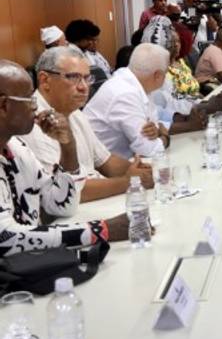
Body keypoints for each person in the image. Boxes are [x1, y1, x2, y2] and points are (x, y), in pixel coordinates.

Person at [0, 59, 128, 256]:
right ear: (3, 105)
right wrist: (100, 230)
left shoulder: (17, 148)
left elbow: (62, 206)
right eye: (29, 99)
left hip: (29, 266)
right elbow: (5, 238)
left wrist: (67, 146)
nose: (35, 106)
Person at [20, 47, 154, 202]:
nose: (83, 87)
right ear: (45, 80)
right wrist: (129, 182)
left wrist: (141, 171)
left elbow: (107, 161)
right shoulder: (33, 124)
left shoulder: (75, 113)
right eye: (73, 77)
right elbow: (67, 192)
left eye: (87, 78)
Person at [84, 43, 171, 159]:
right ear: (157, 75)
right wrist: (165, 136)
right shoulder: (125, 93)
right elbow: (148, 150)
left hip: (120, 162)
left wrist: (158, 131)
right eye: (166, 73)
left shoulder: (138, 84)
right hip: (101, 167)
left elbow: (154, 125)